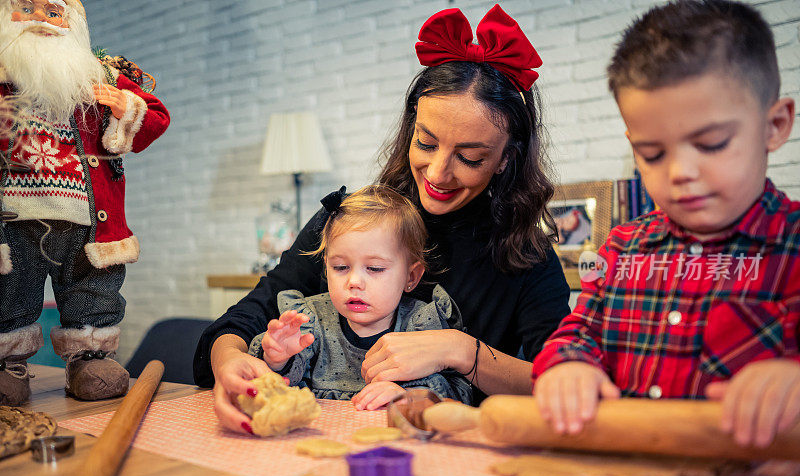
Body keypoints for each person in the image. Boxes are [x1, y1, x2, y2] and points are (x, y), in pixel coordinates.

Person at [195, 4, 571, 434]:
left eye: (469, 157)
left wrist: (461, 350)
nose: (437, 173)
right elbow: (243, 320)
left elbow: (560, 382)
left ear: (506, 158)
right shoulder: (350, 222)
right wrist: (230, 362)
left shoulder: (525, 257)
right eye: (425, 143)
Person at [533, 0, 799, 450]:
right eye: (652, 154)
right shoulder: (621, 250)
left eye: (711, 144)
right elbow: (579, 332)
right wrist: (568, 366)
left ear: (774, 126)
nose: (679, 172)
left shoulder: (791, 247)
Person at [0, 0, 170, 405]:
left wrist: (125, 106)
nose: (42, 18)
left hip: (88, 222)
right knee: (9, 291)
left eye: (53, 11)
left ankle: (90, 359)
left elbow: (158, 117)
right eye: (27, 8)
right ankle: (8, 365)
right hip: (13, 218)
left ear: (72, 23)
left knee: (92, 292)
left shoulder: (99, 75)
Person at [246, 185, 472, 419]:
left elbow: (460, 396)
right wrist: (277, 360)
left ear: (411, 277)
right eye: (340, 267)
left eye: (374, 268)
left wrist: (410, 397)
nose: (354, 282)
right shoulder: (310, 321)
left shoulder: (423, 327)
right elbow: (279, 391)